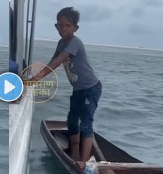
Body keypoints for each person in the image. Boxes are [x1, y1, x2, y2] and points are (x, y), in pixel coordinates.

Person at [25, 7, 102, 164]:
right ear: (56, 26)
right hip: (78, 90)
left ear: (75, 28)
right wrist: (31, 77)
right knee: (72, 120)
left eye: (67, 25)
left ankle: (84, 161)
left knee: (86, 122)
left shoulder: (75, 42)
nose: (63, 28)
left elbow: (57, 62)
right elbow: (51, 63)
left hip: (91, 89)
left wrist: (32, 81)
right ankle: (74, 153)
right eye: (60, 25)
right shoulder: (61, 43)